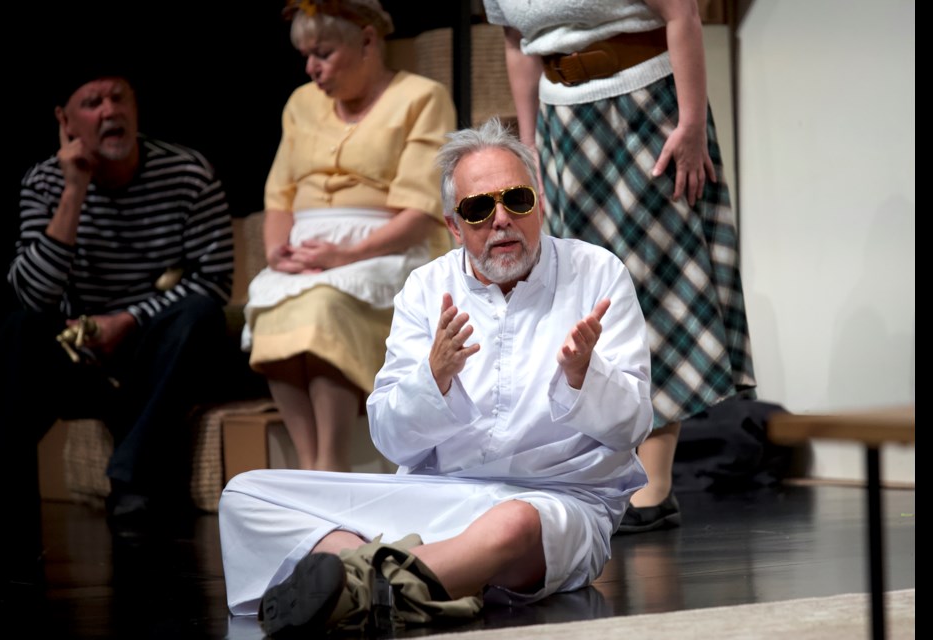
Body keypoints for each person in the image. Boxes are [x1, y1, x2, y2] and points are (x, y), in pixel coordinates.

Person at [218, 117, 653, 636]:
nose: (501, 221)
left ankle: (358, 589)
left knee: (514, 520)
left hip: (557, 502)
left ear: (539, 202)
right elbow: (391, 439)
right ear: (453, 225)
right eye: (478, 209)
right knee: (246, 494)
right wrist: (435, 378)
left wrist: (586, 376)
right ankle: (409, 583)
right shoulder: (427, 289)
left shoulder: (598, 275)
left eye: (516, 200)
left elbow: (633, 427)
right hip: (436, 499)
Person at [483, 0, 757, 532]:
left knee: (651, 282)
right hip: (561, 120)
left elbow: (683, 14)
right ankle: (607, 471)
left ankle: (654, 483)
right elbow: (517, 41)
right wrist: (530, 145)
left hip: (643, 106)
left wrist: (692, 121)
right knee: (581, 294)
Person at [0, 59, 235, 592]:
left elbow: (214, 281)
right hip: (77, 355)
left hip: (155, 350)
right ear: (65, 120)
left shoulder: (188, 171)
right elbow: (33, 295)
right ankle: (4, 501)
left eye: (118, 98)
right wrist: (74, 189)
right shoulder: (46, 181)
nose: (110, 112)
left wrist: (128, 318)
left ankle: (130, 479)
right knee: (17, 332)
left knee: (199, 317)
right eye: (93, 103)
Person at [241, 0, 457, 472]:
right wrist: (279, 252)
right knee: (275, 307)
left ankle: (331, 464)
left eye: (323, 53)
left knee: (323, 309)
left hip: (388, 245)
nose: (312, 69)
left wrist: (347, 255)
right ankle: (310, 461)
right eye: (306, 56)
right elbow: (280, 196)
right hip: (311, 249)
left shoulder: (421, 96)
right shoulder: (301, 103)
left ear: (366, 40)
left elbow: (420, 208)